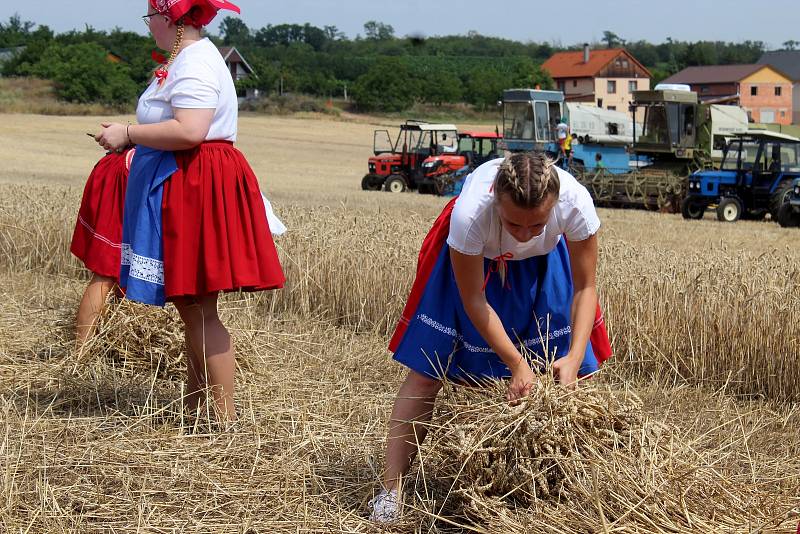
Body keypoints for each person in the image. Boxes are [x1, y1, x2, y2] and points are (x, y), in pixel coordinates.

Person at [369, 152, 612, 522]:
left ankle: (578, 489)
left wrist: (576, 355)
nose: (526, 234)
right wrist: (515, 363)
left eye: (538, 224)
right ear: (496, 199)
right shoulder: (470, 217)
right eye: (515, 223)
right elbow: (473, 298)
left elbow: (585, 287)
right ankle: (391, 492)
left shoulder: (575, 203)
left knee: (571, 376)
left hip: (544, 265)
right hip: (477, 266)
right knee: (425, 373)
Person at [94, 0, 285, 422]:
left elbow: (191, 129)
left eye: (151, 19)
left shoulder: (196, 62)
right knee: (191, 302)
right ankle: (197, 405)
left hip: (194, 184)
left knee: (198, 304)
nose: (149, 28)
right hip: (186, 180)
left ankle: (223, 420)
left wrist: (127, 133)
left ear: (170, 19)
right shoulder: (188, 59)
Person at [71, 147, 135, 349]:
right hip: (129, 172)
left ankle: (104, 343)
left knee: (120, 266)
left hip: (124, 166)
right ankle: (81, 353)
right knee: (108, 270)